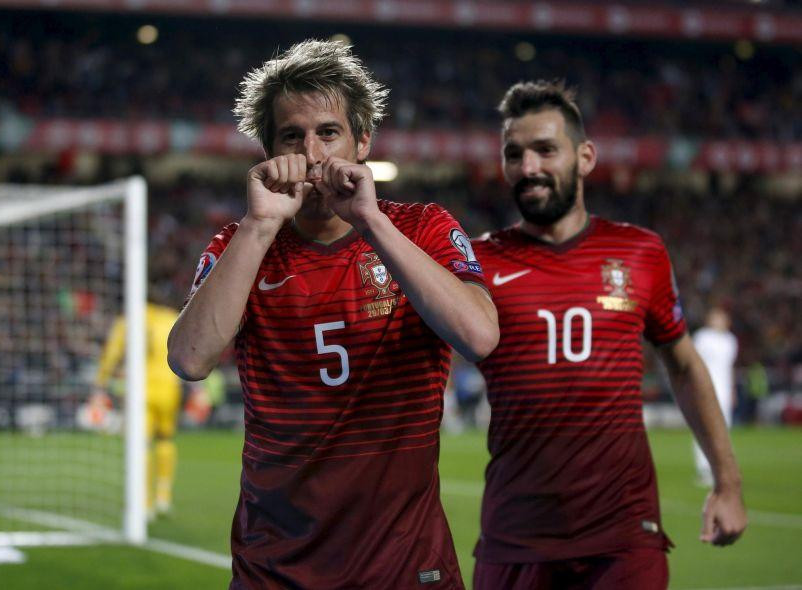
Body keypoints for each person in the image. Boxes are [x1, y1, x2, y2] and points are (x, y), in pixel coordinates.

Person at [167, 40, 499, 589]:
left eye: (328, 132)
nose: (313, 153)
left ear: (362, 140)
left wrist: (371, 222)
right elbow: (189, 359)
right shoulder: (241, 242)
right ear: (268, 149)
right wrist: (259, 225)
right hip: (276, 567)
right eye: (291, 136)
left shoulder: (422, 227)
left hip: (405, 566)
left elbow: (481, 336)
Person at [469, 80, 747, 589]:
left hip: (624, 539)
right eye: (515, 153)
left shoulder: (640, 251)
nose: (528, 167)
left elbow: (684, 366)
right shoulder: (474, 262)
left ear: (586, 156)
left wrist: (727, 483)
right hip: (516, 536)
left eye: (545, 150)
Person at [95, 300, 182, 518]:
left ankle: (144, 502)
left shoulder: (130, 319)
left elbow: (113, 351)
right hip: (170, 387)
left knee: (141, 444)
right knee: (165, 439)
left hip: (142, 388)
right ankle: (163, 496)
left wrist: (101, 382)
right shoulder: (171, 317)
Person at [692, 305, 738, 487]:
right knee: (704, 427)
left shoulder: (731, 340)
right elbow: (694, 364)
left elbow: (730, 367)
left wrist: (733, 389)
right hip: (706, 388)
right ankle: (703, 467)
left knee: (723, 428)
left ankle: (721, 467)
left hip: (724, 389)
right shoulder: (702, 338)